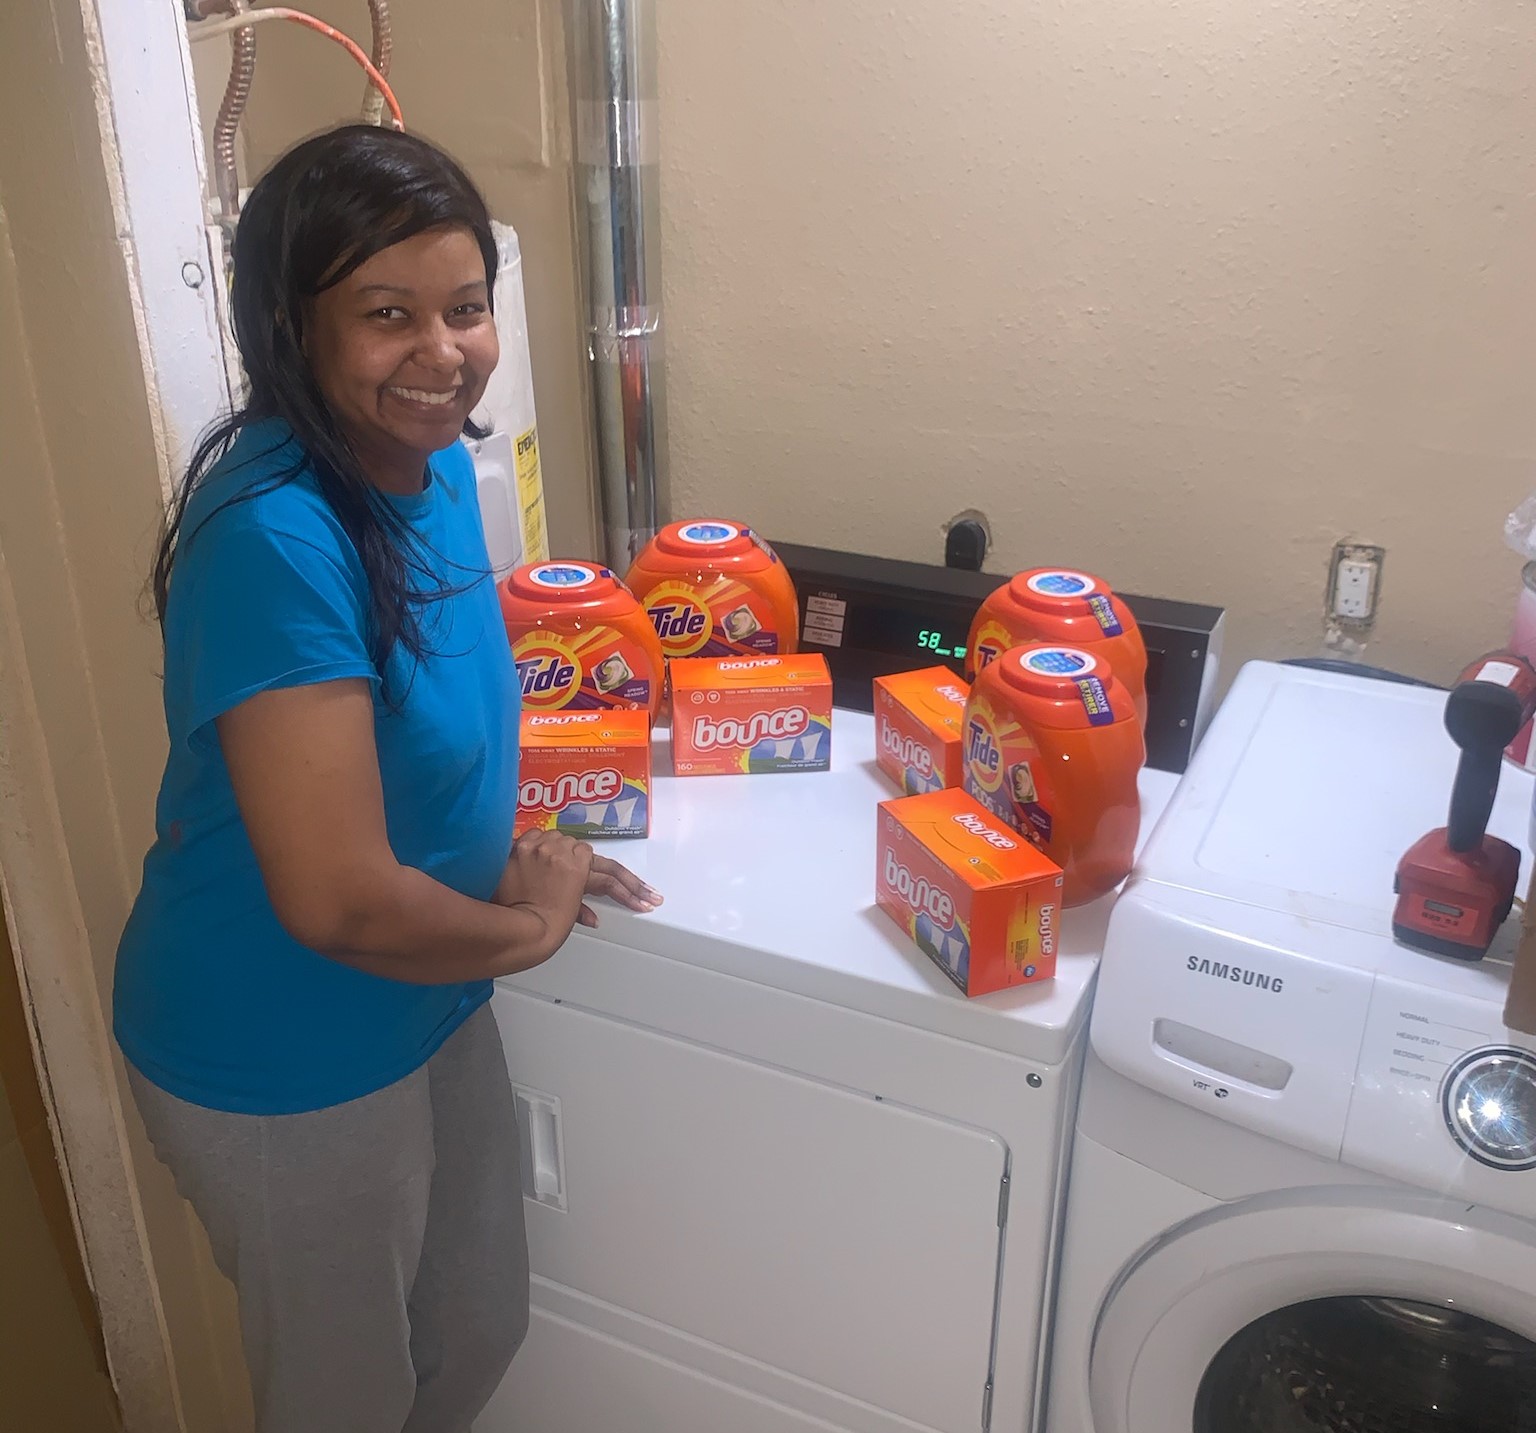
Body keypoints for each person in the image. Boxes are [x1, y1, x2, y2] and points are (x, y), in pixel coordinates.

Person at [113, 125, 659, 1433]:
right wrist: (523, 928)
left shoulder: (424, 473)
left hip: (423, 993)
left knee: (474, 1329)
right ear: (293, 329)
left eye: (465, 308)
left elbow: (435, 725)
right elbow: (342, 900)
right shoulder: (275, 539)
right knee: (343, 1401)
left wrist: (541, 836)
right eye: (387, 315)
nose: (444, 351)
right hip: (279, 1047)